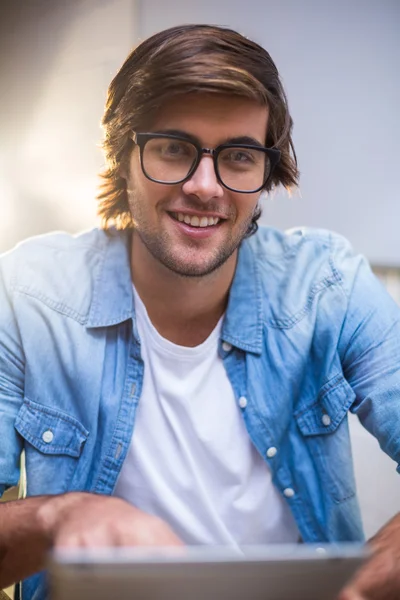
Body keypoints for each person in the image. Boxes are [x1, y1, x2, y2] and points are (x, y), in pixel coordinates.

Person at [0, 23, 399, 600]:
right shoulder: (25, 294)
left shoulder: (329, 285)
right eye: (173, 149)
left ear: (267, 170)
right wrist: (55, 518)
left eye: (238, 156)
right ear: (124, 156)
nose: (205, 187)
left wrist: (368, 580)